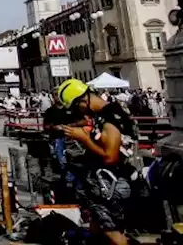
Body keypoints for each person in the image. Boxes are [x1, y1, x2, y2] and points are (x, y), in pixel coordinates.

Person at [54, 79, 142, 245]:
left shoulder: (109, 120)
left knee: (112, 232)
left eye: (75, 107)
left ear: (82, 101)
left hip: (110, 184)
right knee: (98, 228)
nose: (78, 112)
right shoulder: (107, 113)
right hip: (105, 182)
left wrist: (84, 139)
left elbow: (110, 157)